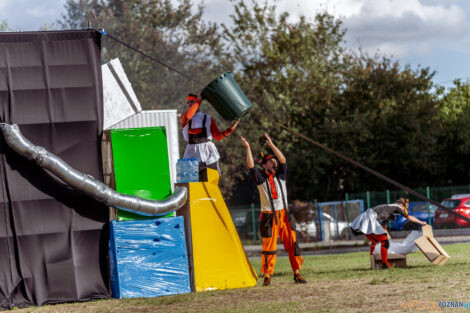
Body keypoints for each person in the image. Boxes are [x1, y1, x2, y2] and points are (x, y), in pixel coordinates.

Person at [241, 133, 306, 286]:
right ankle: (267, 276)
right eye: (270, 161)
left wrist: (271, 145)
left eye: (274, 160)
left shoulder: (281, 175)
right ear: (264, 165)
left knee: (292, 244)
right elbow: (251, 166)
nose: (274, 162)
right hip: (269, 216)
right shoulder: (260, 179)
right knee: (269, 247)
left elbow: (283, 160)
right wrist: (248, 147)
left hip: (284, 215)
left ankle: (297, 274)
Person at [350, 198, 427, 269]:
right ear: (401, 205)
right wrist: (421, 222)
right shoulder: (396, 207)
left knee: (376, 241)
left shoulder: (389, 210)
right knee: (385, 242)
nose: (403, 211)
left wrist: (388, 236)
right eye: (404, 208)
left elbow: (384, 226)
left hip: (366, 218)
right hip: (369, 218)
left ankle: (373, 264)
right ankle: (385, 264)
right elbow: (409, 217)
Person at [180, 93, 239, 181]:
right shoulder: (184, 117)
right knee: (189, 184)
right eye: (187, 102)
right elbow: (189, 115)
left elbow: (217, 136)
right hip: (191, 153)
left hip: (208, 154)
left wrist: (230, 129)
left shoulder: (208, 119)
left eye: (191, 101)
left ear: (196, 101)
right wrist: (198, 101)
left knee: (212, 182)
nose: (189, 104)